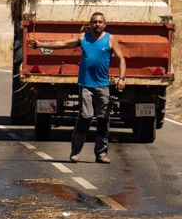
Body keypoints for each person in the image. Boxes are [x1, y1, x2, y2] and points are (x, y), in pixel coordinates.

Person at [29, 11, 127, 164]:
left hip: (103, 86)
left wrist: (122, 78)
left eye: (100, 22)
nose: (97, 24)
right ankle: (75, 152)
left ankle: (101, 154)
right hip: (86, 85)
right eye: (94, 22)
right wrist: (41, 44)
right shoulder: (83, 38)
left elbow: (122, 59)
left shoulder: (110, 39)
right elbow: (62, 44)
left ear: (104, 24)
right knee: (85, 117)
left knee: (103, 119)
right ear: (89, 24)